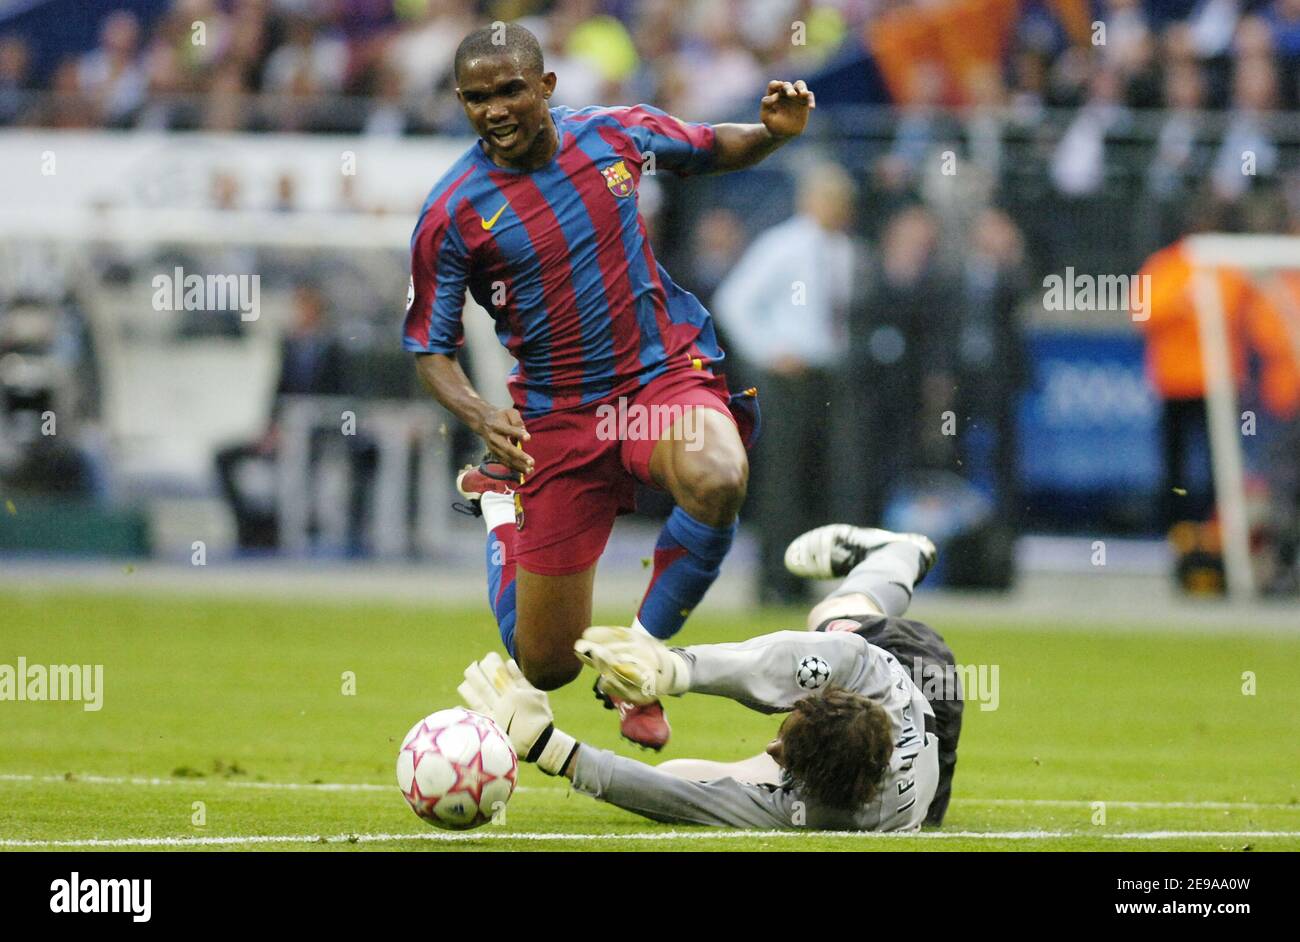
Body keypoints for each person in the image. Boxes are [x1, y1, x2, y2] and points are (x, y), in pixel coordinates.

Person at [407, 23, 814, 750]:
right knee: (547, 665)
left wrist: (771, 134)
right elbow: (430, 347)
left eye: (509, 90)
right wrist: (479, 413)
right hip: (557, 417)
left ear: (546, 86)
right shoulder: (452, 213)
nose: (494, 110)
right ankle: (500, 506)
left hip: (660, 381)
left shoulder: (613, 134)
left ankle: (638, 665)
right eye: (475, 98)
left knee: (719, 477)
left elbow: (710, 146)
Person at [459, 524, 963, 831]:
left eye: (786, 755)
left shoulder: (831, 816)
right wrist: (671, 669)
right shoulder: (868, 673)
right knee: (835, 623)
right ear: (822, 696)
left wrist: (550, 748)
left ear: (816, 789)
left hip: (921, 738)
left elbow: (688, 803)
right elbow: (770, 663)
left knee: (678, 773)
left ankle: (897, 553)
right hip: (916, 677)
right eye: (785, 737)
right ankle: (900, 553)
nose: (770, 747)